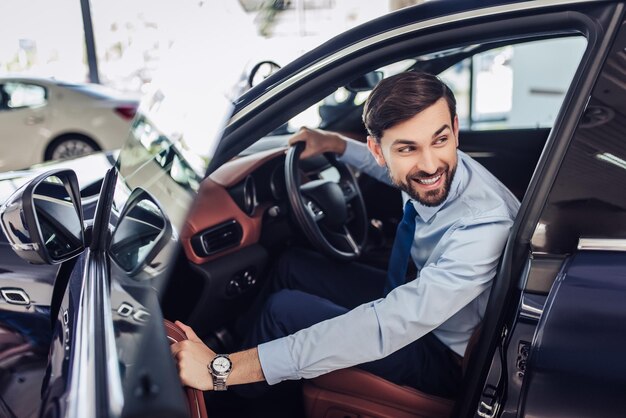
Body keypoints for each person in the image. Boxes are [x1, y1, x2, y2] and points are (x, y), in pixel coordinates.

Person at [171, 72, 520, 400]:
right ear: (378, 151)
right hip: (422, 305)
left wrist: (223, 370)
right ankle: (238, 342)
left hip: (444, 352)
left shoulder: (482, 225)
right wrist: (334, 144)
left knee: (283, 309)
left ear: (455, 130)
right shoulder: (435, 173)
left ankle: (231, 394)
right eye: (407, 148)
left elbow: (385, 326)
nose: (429, 164)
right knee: (292, 264)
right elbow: (388, 174)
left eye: (440, 140)